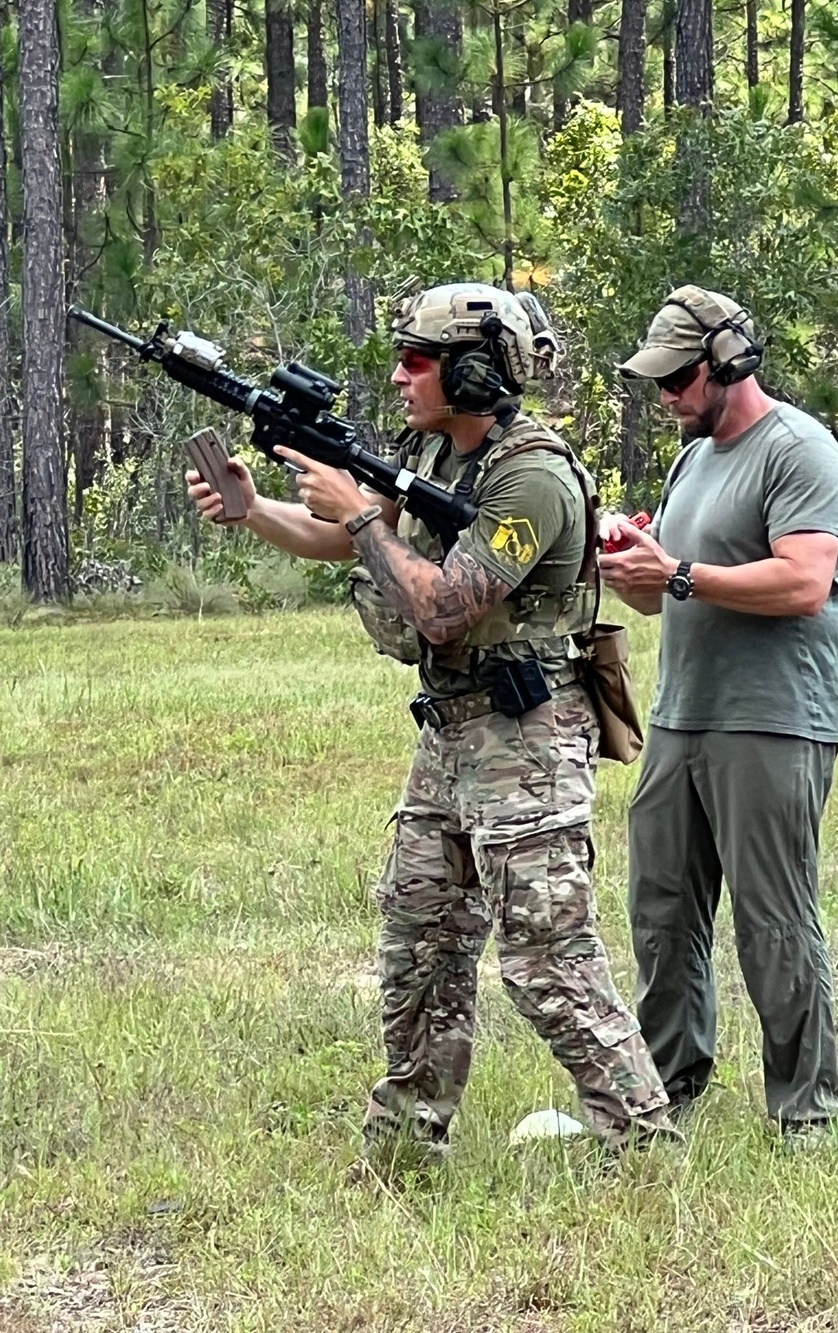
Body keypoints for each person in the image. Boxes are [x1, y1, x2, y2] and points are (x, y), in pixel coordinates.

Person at [187, 282, 678, 1160]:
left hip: (525, 736)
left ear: (477, 372)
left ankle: (641, 1141)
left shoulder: (532, 476)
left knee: (546, 957)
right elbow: (357, 539)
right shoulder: (442, 456)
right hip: (451, 733)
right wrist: (254, 507)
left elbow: (445, 606)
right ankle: (406, 1145)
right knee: (421, 941)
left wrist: (362, 514)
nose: (401, 374)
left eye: (419, 359)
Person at [599, 284, 838, 1150]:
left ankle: (806, 1111)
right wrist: (637, 566)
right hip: (683, 716)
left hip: (773, 721)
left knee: (773, 918)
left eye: (677, 377)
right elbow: (669, 585)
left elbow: (803, 582)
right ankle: (666, 1089)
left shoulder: (800, 451)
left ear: (727, 363)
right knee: (663, 909)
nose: (666, 395)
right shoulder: (692, 455)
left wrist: (678, 574)